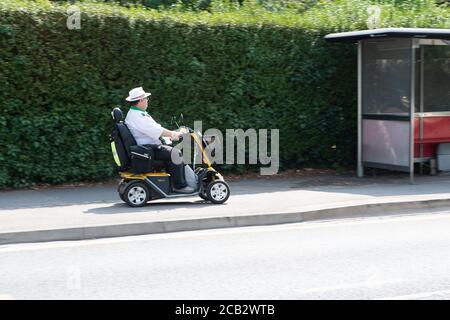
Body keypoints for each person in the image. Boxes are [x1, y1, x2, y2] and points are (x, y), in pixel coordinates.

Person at [124, 87, 194, 193]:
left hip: (148, 146)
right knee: (175, 153)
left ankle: (173, 183)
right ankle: (179, 186)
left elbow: (153, 130)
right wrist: (173, 133)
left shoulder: (137, 114)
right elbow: (155, 130)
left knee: (171, 152)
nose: (148, 100)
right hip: (148, 148)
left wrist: (168, 135)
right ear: (141, 100)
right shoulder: (137, 116)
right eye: (146, 98)